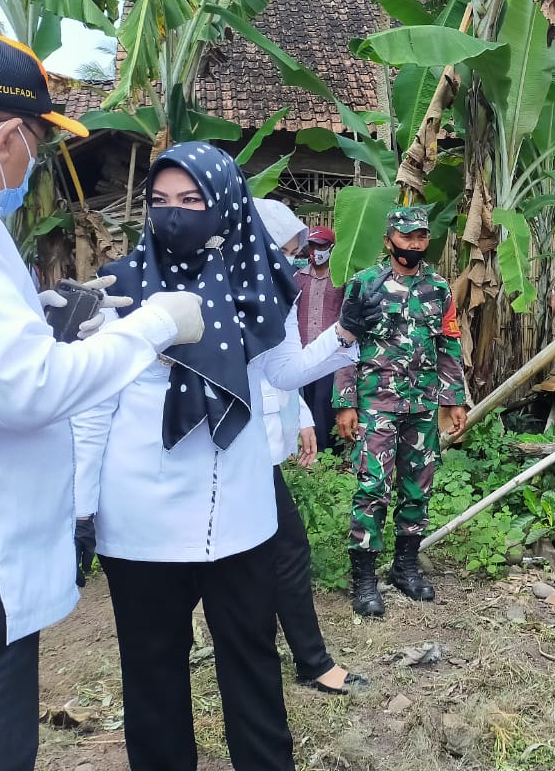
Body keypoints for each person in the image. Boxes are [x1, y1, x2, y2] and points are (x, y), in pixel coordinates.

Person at [0, 32, 204, 770]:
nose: (31, 168)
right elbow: (25, 390)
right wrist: (153, 326)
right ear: (4, 136)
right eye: (36, 148)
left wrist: (44, 317)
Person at [72, 145, 377, 771]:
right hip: (142, 523)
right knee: (153, 677)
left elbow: (282, 370)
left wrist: (343, 337)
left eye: (192, 201)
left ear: (227, 205)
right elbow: (92, 408)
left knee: (253, 661)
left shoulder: (257, 283)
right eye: (160, 202)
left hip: (239, 518)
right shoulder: (120, 287)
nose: (174, 215)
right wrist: (79, 512)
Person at [252, 198, 367, 696]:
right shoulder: (220, 295)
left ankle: (310, 659)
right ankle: (290, 659)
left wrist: (345, 331)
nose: (297, 262)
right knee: (259, 561)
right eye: (291, 251)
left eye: (301, 254)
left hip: (257, 456)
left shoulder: (274, 293)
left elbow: (282, 371)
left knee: (286, 551)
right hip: (220, 457)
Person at [335, 206, 468, 617]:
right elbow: (344, 345)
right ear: (389, 239)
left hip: (423, 404)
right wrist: (345, 402)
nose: (414, 245)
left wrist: (454, 399)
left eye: (420, 238)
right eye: (406, 237)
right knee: (373, 487)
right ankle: (364, 580)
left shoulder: (439, 288)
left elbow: (448, 345)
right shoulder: (364, 284)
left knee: (418, 488)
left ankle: (405, 568)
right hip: (376, 404)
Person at [294, 224, 344, 456]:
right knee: (309, 398)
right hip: (305, 350)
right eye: (312, 246)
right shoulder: (299, 278)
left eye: (321, 246)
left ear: (331, 248)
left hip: (330, 352)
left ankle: (327, 450)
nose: (316, 251)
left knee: (325, 400)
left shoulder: (341, 279)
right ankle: (311, 447)